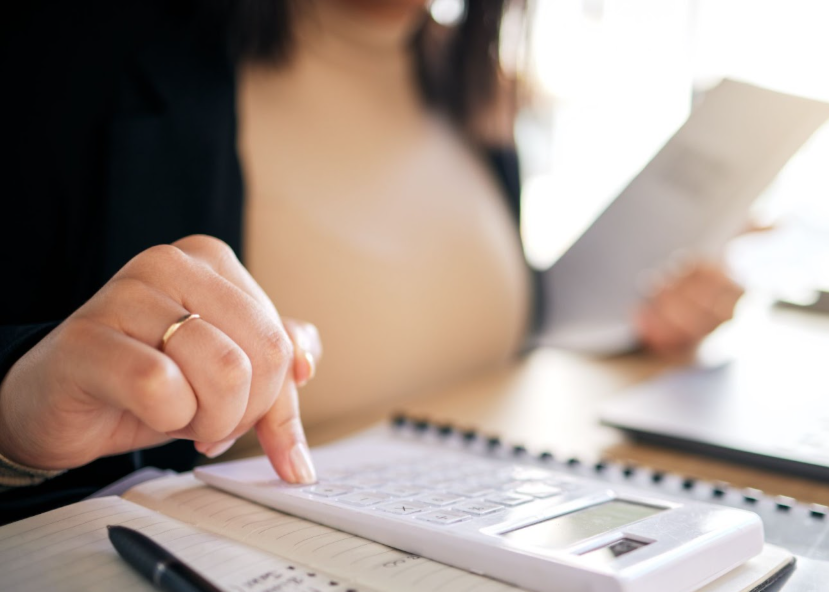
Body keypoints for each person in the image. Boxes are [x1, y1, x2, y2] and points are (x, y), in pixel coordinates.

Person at [0, 0, 743, 523]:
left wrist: (634, 326)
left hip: (486, 545)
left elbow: (462, 326)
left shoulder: (470, 79)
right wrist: (12, 433)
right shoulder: (76, 50)